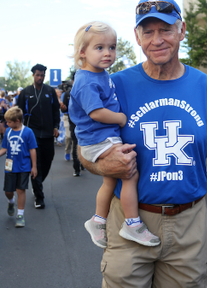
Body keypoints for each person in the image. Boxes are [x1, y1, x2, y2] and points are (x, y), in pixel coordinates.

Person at [78, 0, 207, 287]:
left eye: (166, 29)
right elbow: (87, 147)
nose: (157, 39)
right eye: (148, 31)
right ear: (137, 37)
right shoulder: (114, 85)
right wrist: (102, 165)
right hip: (129, 222)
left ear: (182, 30)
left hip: (189, 225)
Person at [69, 21, 160, 248]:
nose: (108, 53)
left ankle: (98, 220)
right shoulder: (86, 80)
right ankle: (132, 223)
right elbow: (97, 113)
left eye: (112, 47)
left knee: (110, 181)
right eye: (99, 48)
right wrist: (120, 118)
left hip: (102, 137)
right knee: (129, 173)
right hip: (98, 139)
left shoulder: (99, 74)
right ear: (82, 52)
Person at [0, 107, 37, 228]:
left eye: (9, 122)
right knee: (8, 191)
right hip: (10, 166)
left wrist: (34, 166)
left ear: (17, 121)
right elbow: (4, 148)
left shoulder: (28, 132)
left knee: (21, 190)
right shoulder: (8, 132)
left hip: (24, 166)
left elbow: (32, 149)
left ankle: (20, 215)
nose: (7, 124)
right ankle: (11, 201)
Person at [17, 63, 60, 209]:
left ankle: (38, 183)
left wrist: (56, 126)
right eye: (38, 75)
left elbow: (56, 111)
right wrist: (19, 131)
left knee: (47, 162)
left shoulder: (50, 91)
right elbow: (19, 113)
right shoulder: (26, 92)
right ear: (33, 75)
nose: (40, 77)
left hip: (48, 133)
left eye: (42, 75)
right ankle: (39, 197)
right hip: (31, 134)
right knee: (36, 165)